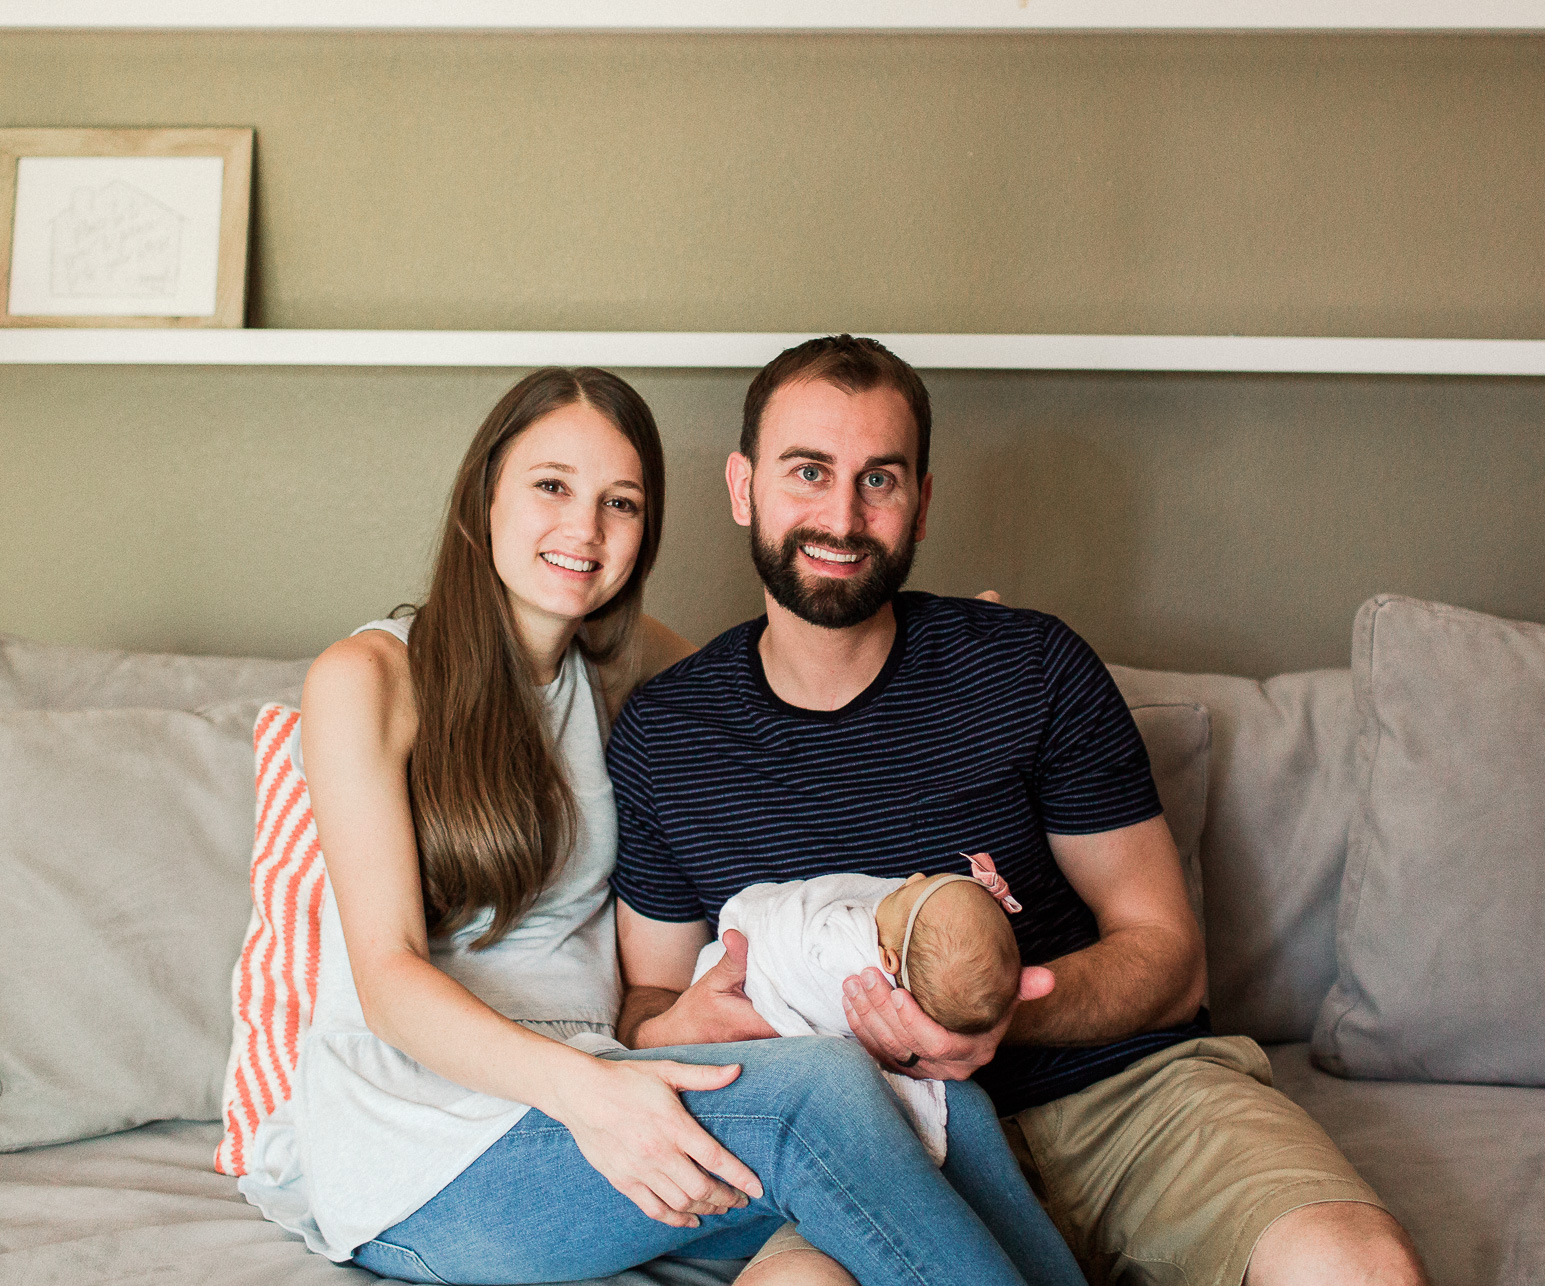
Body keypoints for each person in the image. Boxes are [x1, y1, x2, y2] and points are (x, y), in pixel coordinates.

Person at [608, 336, 1432, 1286]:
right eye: (808, 472)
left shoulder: (1027, 666)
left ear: (921, 505)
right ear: (743, 486)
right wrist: (680, 1030)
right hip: (878, 1143)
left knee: (1358, 1267)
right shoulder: (668, 737)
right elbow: (647, 1005)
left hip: (1124, 1099)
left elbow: (1167, 956)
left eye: (879, 479)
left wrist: (998, 1020)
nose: (841, 515)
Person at [236, 365, 1086, 1286]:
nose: (585, 530)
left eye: (622, 503)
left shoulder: (625, 666)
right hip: (431, 1143)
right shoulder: (368, 678)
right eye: (552, 486)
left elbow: (791, 688)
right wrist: (593, 1095)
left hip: (602, 1084)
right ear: (484, 498)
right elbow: (389, 981)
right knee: (822, 1092)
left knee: (932, 1098)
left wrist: (950, 659)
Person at [691, 860, 1026, 1164]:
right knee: (968, 1109)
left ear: (888, 961)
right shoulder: (891, 948)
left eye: (907, 892)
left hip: (765, 996)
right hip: (719, 1005)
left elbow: (790, 935)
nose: (913, 877)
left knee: (967, 1109)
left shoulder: (842, 945)